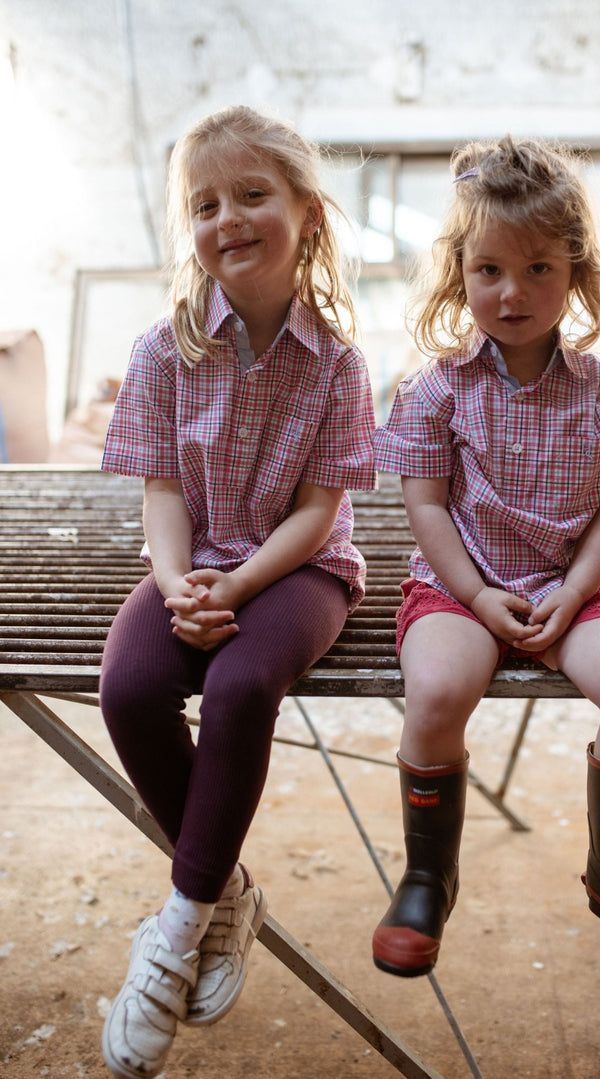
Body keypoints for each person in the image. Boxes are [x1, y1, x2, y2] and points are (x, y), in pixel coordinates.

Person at [371, 135, 600, 981]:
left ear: (577, 274)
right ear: (459, 272)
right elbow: (426, 509)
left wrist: (577, 589)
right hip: (458, 587)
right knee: (437, 688)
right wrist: (478, 595)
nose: (512, 292)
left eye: (538, 269)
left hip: (572, 586)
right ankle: (427, 875)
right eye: (489, 269)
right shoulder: (436, 389)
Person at [98, 105, 376, 1078]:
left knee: (241, 686)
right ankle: (228, 889)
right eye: (206, 203)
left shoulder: (338, 361)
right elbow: (163, 494)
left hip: (302, 568)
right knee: (130, 687)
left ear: (308, 213)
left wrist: (244, 583)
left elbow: (319, 511)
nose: (228, 218)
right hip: (196, 557)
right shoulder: (162, 348)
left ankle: (178, 926)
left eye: (252, 193)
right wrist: (178, 585)